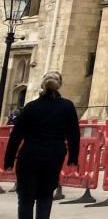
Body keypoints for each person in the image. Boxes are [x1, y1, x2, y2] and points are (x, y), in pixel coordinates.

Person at [2, 71, 81, 219]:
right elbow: (74, 134)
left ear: (42, 85)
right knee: (45, 196)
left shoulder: (30, 107)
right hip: (53, 156)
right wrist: (73, 157)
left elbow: (16, 135)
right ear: (60, 86)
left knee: (26, 198)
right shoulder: (67, 106)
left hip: (30, 155)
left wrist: (9, 160)